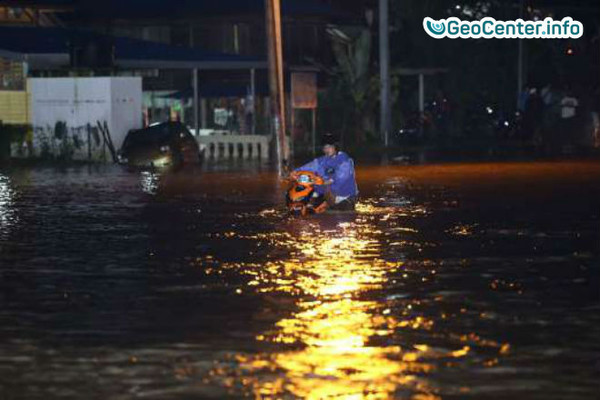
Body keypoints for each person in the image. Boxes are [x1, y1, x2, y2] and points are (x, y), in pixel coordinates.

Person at [292, 133, 358, 210]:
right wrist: (295, 172)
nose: (327, 150)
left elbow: (339, 180)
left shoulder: (345, 161)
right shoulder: (322, 160)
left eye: (329, 147)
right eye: (325, 148)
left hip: (345, 197)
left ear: (335, 147)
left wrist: (321, 183)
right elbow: (309, 167)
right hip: (326, 195)